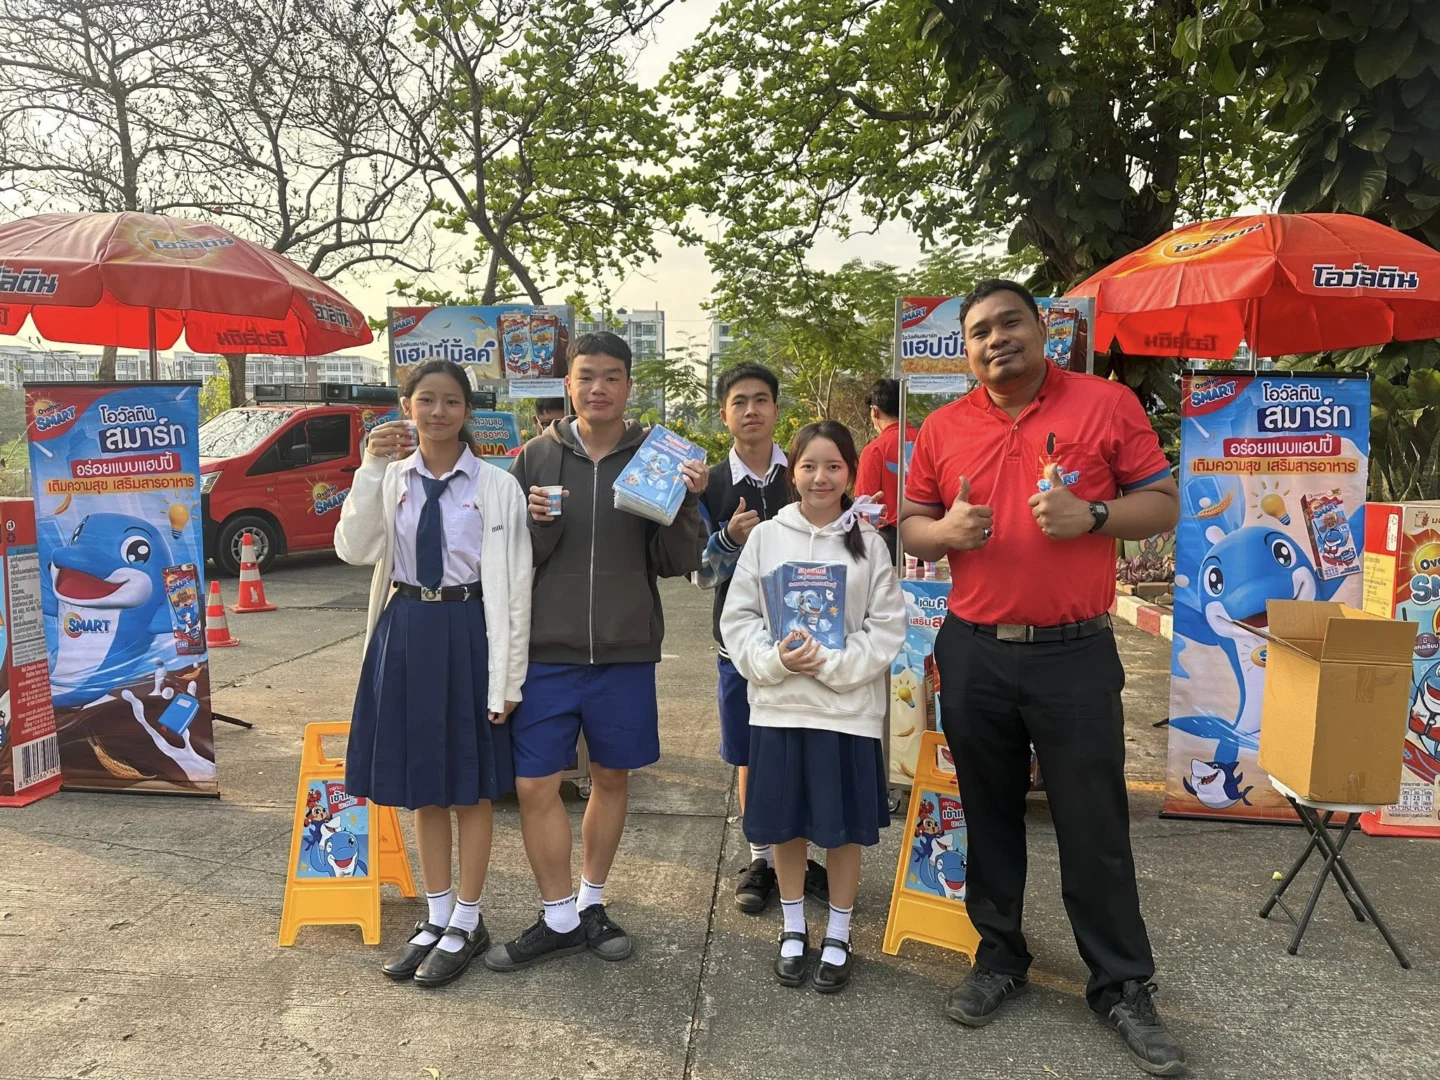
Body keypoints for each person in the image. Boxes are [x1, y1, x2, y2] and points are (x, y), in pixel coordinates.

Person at [899, 280, 1184, 1076]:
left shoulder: (1105, 405)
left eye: (1010, 322)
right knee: (988, 814)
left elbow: (1162, 502)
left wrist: (1093, 516)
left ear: (1042, 328)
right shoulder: (944, 428)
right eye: (980, 331)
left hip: (1074, 652)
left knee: (1094, 825)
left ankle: (1121, 985)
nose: (997, 339)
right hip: (974, 650)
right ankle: (998, 956)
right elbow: (911, 524)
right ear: (966, 349)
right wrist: (944, 530)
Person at [488, 331, 707, 971]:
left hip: (625, 651)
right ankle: (556, 915)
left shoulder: (658, 457)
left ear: (629, 386)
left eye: (612, 377)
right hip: (547, 651)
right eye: (586, 376)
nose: (598, 388)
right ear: (568, 384)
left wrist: (687, 502)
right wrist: (537, 526)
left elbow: (675, 561)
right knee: (534, 784)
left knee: (611, 777)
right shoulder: (534, 457)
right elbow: (507, 559)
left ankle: (589, 903)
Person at [335, 358, 532, 988]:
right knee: (424, 784)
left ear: (467, 410)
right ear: (407, 407)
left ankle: (468, 920)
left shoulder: (497, 486)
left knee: (470, 786)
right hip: (406, 629)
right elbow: (355, 549)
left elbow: (516, 588)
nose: (438, 412)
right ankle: (437, 914)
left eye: (451, 401)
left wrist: (508, 679)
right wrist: (369, 468)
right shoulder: (391, 477)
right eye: (426, 400)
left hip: (469, 629)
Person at [720, 420, 905, 994]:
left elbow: (887, 627)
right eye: (808, 466)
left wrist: (830, 664)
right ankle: (794, 927)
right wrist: (774, 659)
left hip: (845, 714)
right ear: (791, 471)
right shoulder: (766, 538)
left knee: (842, 831)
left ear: (850, 472)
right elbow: (739, 617)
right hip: (781, 709)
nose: (820, 477)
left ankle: (841, 933)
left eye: (833, 466)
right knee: (788, 827)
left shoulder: (869, 542)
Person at [696, 362, 829, 914]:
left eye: (760, 400)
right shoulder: (708, 483)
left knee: (806, 745)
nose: (750, 410)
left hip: (809, 643)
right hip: (743, 648)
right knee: (750, 753)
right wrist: (728, 539)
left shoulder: (803, 472)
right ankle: (760, 859)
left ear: (776, 409)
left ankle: (802, 856)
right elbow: (699, 575)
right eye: (739, 401)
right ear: (724, 415)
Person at [855, 377, 921, 562]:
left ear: (875, 411)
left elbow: (864, 503)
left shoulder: (875, 449)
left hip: (888, 539)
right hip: (926, 535)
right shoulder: (927, 441)